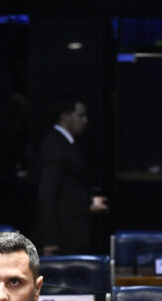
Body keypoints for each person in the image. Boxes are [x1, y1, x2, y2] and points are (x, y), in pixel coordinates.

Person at [35, 97, 108, 255]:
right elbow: (47, 194)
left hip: (73, 232)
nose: (85, 120)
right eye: (81, 115)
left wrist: (89, 202)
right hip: (63, 237)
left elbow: (70, 189)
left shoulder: (68, 144)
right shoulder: (55, 145)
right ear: (65, 116)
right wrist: (50, 240)